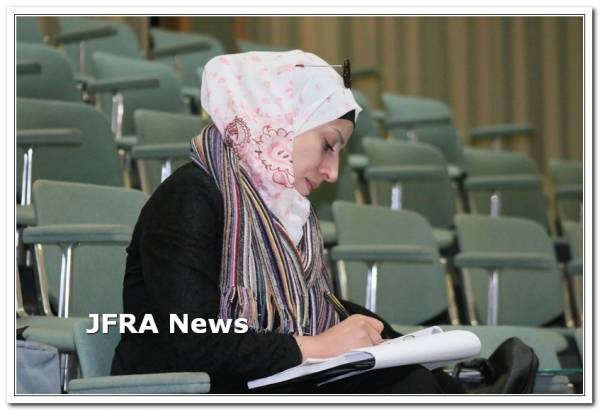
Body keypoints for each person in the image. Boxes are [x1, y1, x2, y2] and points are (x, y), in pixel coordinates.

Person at [111, 50, 465, 394]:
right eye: (328, 144)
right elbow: (192, 341)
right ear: (278, 122)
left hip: (261, 382)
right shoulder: (189, 197)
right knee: (409, 388)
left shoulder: (285, 211)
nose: (332, 172)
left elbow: (310, 307)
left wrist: (390, 340)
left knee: (421, 381)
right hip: (192, 391)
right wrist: (317, 346)